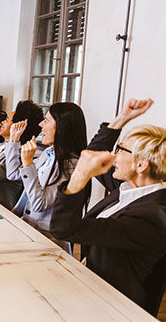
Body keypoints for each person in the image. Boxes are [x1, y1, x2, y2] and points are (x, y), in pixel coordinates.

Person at [50, 99, 166, 316]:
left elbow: (64, 228)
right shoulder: (129, 188)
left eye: (120, 149)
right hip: (94, 289)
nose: (114, 155)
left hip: (114, 309)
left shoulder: (151, 218)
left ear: (141, 164)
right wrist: (120, 120)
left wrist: (81, 175)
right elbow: (91, 155)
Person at [5, 102, 87, 251]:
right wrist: (14, 141)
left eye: (47, 120)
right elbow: (13, 174)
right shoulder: (49, 153)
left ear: (62, 127)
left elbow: (39, 205)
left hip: (47, 239)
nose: (41, 124)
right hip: (28, 227)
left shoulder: (72, 165)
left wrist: (28, 163)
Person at [0, 100, 44, 210]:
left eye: (7, 119)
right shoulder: (4, 147)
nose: (2, 122)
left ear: (18, 127)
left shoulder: (18, 157)